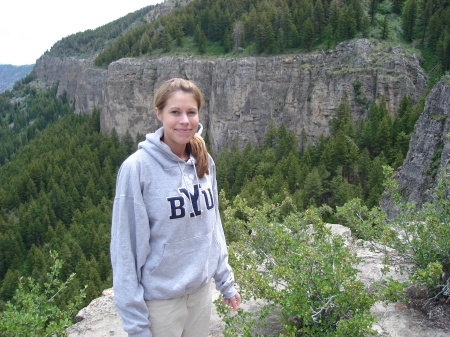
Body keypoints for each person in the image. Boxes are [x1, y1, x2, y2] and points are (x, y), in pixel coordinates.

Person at [110, 78, 241, 337]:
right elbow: (126, 249)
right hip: (161, 301)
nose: (185, 120)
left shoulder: (204, 162)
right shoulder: (137, 168)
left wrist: (225, 280)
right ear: (159, 113)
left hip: (201, 293)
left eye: (191, 112)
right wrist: (136, 326)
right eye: (175, 112)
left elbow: (213, 227)